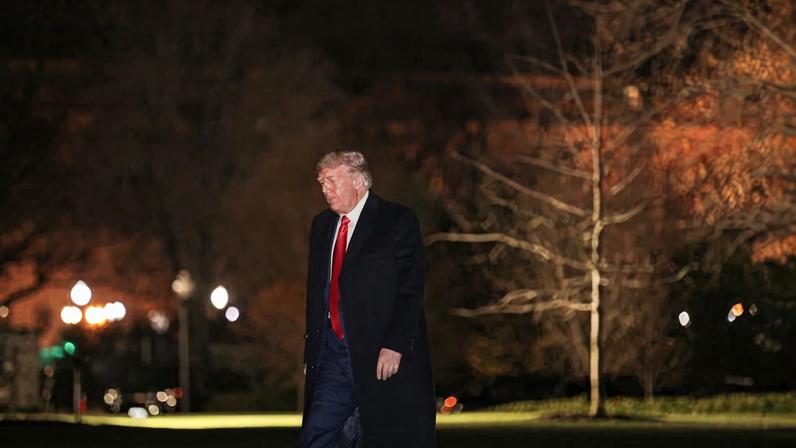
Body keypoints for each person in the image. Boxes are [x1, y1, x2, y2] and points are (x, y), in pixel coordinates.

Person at [300, 151, 436, 447]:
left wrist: (395, 344)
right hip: (333, 356)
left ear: (359, 181)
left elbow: (411, 288)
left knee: (384, 437)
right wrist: (312, 352)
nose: (325, 189)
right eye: (322, 182)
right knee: (316, 437)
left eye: (332, 180)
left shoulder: (396, 220)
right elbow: (316, 292)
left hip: (379, 354)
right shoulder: (322, 226)